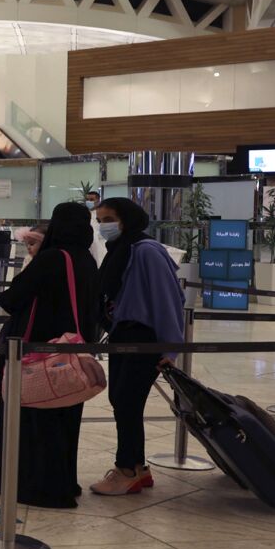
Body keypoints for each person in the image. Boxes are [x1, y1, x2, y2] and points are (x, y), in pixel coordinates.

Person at [0, 202, 100, 509]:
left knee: (33, 417)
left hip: (37, 356)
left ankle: (35, 487)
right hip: (72, 354)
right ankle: (62, 481)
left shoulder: (52, 258)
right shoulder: (86, 260)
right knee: (64, 416)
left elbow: (11, 299)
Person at [91, 198, 184, 495]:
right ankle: (138, 468)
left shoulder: (146, 251)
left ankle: (126, 469)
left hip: (144, 339)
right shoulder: (120, 250)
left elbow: (167, 301)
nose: (104, 226)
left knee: (127, 401)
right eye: (100, 220)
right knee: (123, 401)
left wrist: (169, 350)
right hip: (124, 335)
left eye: (109, 219)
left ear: (126, 220)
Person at [85, 191, 107, 266]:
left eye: (91, 200)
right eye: (87, 199)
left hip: (101, 245)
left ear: (98, 200)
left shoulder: (103, 214)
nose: (89, 202)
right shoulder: (84, 214)